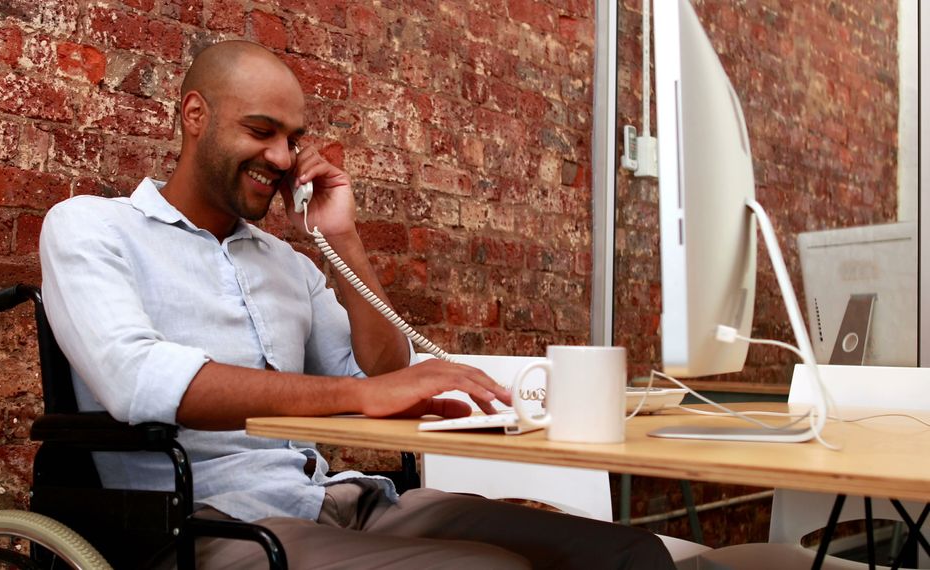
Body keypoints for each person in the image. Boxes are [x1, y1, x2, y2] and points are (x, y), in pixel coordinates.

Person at [40, 40, 676, 569]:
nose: (282, 158)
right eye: (261, 131)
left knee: (627, 554)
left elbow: (377, 372)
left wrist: (339, 235)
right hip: (202, 521)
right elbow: (135, 380)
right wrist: (359, 397)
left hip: (334, 498)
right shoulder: (92, 228)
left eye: (293, 140)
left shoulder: (288, 263)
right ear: (194, 115)